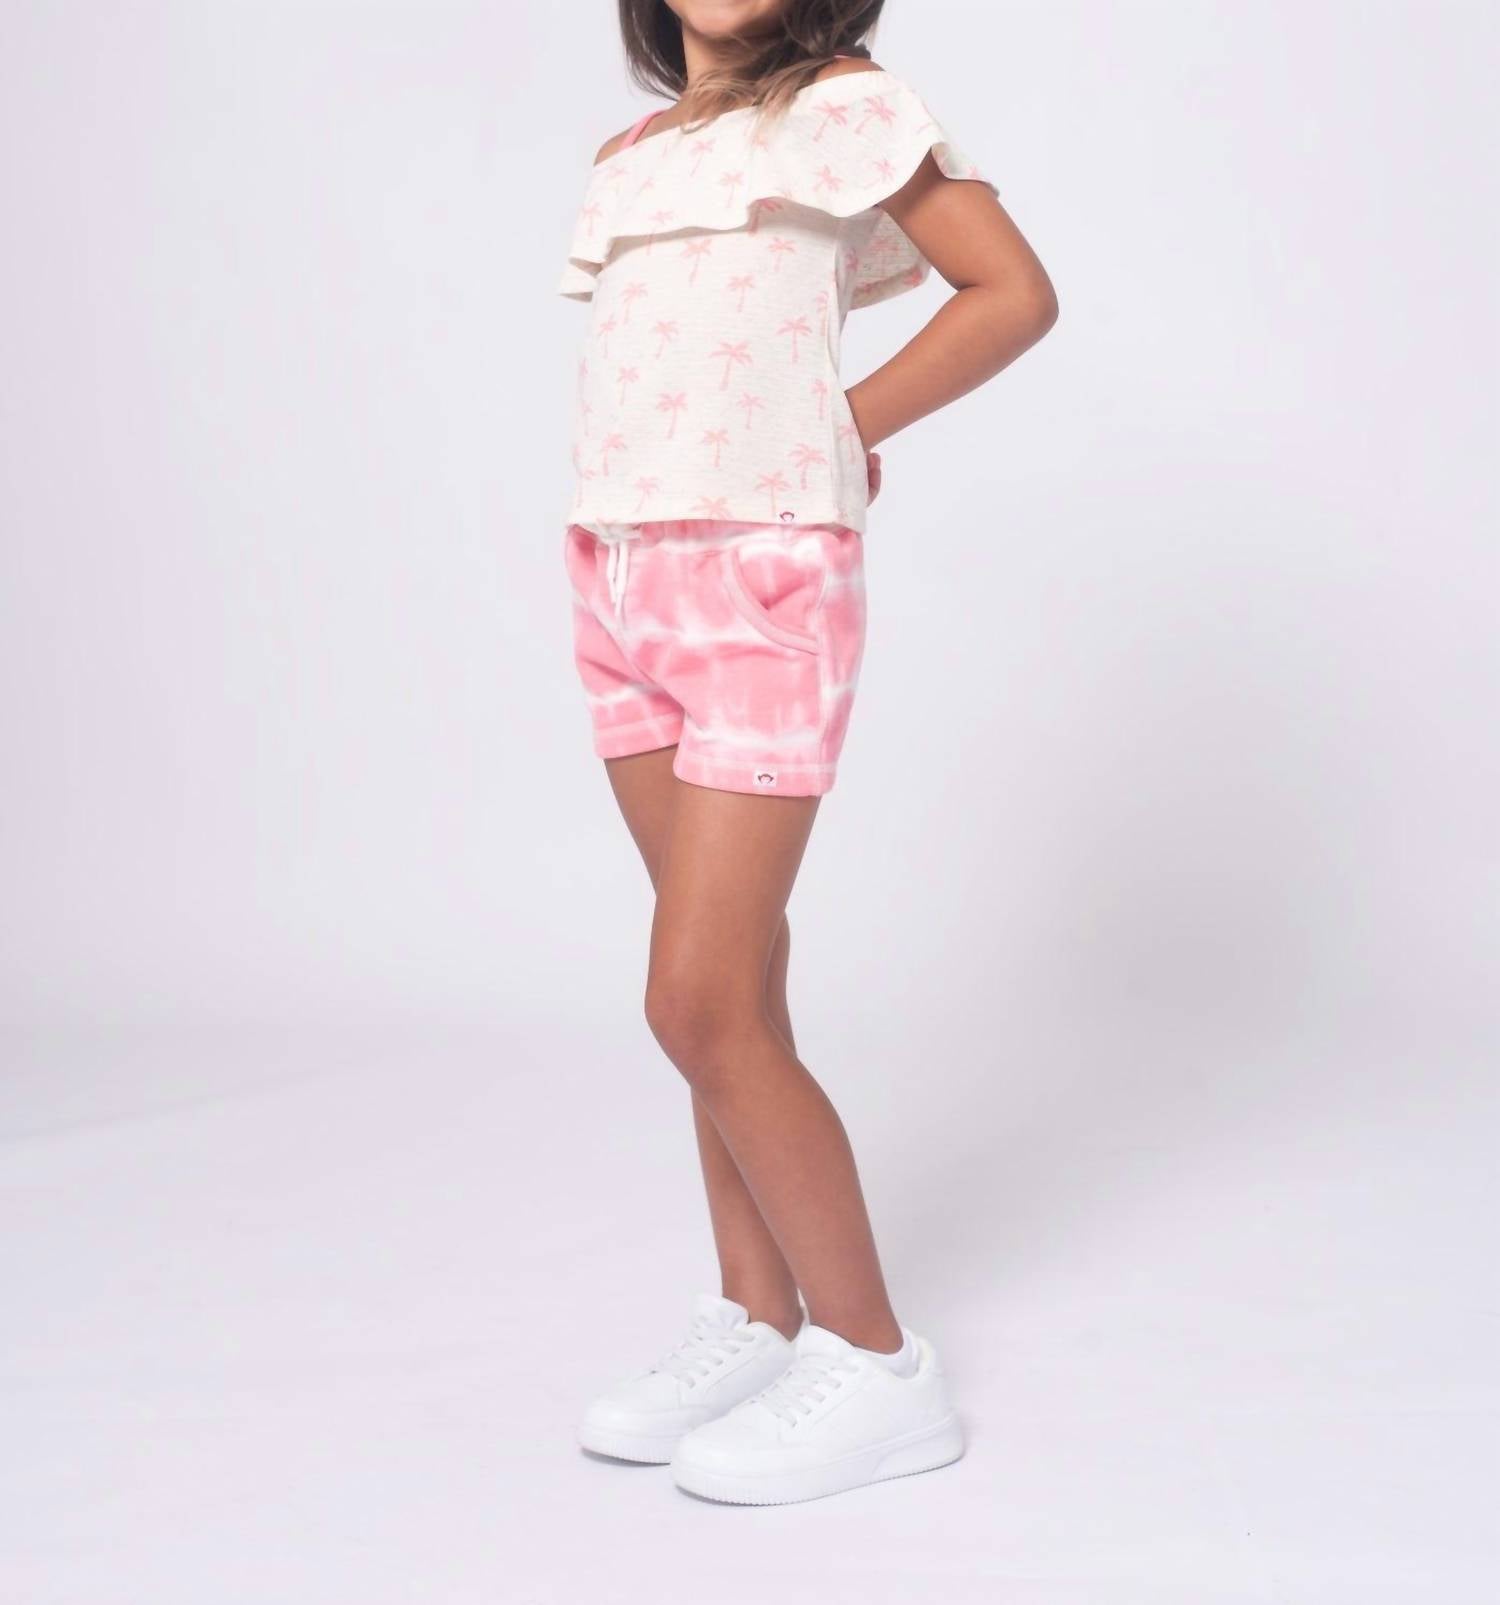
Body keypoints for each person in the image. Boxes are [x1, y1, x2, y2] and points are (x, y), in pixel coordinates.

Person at [558, 0, 1056, 1505]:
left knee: (695, 999)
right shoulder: (630, 153)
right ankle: (756, 1311)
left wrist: (841, 428)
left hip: (763, 574)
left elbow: (1011, 291)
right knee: (738, 983)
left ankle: (880, 1362)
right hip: (618, 571)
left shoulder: (845, 104)